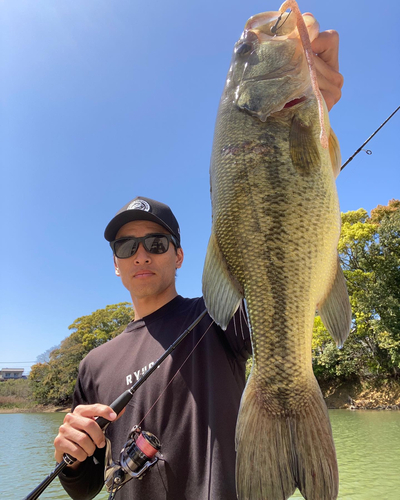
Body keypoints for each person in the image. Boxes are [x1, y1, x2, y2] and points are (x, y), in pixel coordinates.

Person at [54, 28, 343, 500]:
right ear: (115, 266)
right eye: (126, 248)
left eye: (156, 241)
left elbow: (284, 258)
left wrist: (317, 118)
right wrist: (72, 457)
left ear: (181, 254)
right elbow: (86, 488)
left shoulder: (215, 318)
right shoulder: (92, 364)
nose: (141, 253)